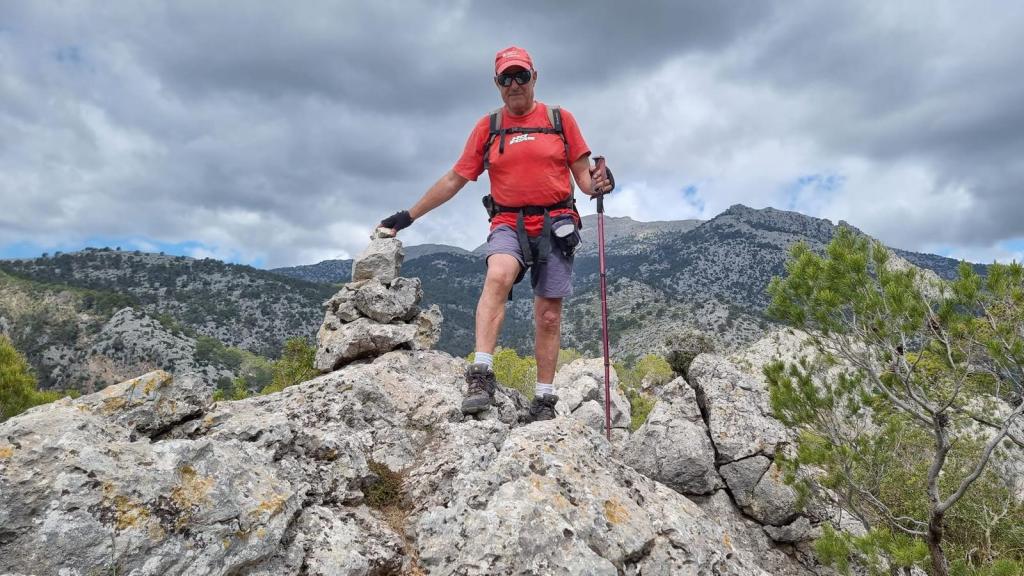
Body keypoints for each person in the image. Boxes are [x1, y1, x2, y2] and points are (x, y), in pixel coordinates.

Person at [377, 46, 613, 421]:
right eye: (507, 78)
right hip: (507, 222)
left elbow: (586, 182)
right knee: (498, 274)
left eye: (521, 75)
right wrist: (408, 216)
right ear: (497, 83)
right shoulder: (488, 128)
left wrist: (601, 183)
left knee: (549, 314)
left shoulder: (559, 119)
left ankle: (544, 400)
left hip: (556, 225)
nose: (514, 84)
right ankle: (481, 374)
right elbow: (455, 179)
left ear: (534, 77)